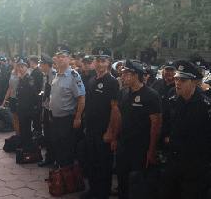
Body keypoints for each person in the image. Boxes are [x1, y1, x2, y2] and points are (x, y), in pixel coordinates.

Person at [162, 60, 210, 199]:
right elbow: (166, 122)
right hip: (174, 159)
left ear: (194, 82)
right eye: (177, 79)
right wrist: (166, 137)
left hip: (195, 163)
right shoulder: (173, 99)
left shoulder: (205, 106)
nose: (177, 83)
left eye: (183, 80)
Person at [116, 58, 162, 199]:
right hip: (123, 146)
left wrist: (151, 150)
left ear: (135, 76)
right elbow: (120, 117)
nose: (122, 76)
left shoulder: (151, 95)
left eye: (125, 74)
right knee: (122, 181)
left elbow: (156, 124)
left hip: (141, 149)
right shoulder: (124, 93)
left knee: (138, 185)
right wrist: (114, 138)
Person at [80, 47, 120, 199]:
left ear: (109, 62)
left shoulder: (112, 82)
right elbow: (88, 106)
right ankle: (94, 190)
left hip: (104, 130)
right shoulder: (91, 80)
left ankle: (103, 193)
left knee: (104, 164)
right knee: (92, 161)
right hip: (91, 129)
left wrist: (111, 131)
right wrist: (85, 125)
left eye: (103, 61)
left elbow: (115, 109)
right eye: (97, 61)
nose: (100, 64)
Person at [49, 46, 86, 167]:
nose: (59, 59)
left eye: (63, 57)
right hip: (55, 118)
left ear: (69, 59)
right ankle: (58, 176)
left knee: (67, 150)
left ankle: (66, 178)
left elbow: (81, 97)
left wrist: (78, 117)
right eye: (58, 57)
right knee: (57, 147)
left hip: (67, 119)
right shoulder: (56, 74)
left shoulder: (74, 76)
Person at [38, 54, 57, 167]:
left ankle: (53, 159)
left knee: (52, 135)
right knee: (47, 135)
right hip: (46, 107)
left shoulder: (54, 75)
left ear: (46, 65)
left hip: (51, 110)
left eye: (41, 64)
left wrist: (50, 111)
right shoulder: (46, 75)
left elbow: (53, 94)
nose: (40, 65)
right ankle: (48, 158)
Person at [15, 59, 37, 147]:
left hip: (27, 108)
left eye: (22, 67)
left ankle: (27, 144)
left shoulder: (29, 79)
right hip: (21, 107)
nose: (20, 69)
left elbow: (32, 94)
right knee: (21, 127)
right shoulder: (21, 79)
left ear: (27, 68)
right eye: (19, 67)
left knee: (26, 127)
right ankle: (22, 142)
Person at [1, 58, 20, 134]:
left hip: (20, 99)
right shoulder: (12, 73)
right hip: (12, 98)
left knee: (20, 120)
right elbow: (10, 87)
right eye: (15, 62)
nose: (15, 64)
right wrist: (5, 100)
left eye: (16, 63)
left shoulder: (23, 75)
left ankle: (21, 136)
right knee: (14, 118)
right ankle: (17, 135)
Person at [29, 56, 43, 133]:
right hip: (34, 98)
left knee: (36, 117)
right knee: (34, 117)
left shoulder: (37, 72)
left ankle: (37, 132)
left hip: (36, 98)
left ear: (32, 62)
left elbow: (36, 87)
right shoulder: (34, 71)